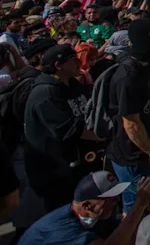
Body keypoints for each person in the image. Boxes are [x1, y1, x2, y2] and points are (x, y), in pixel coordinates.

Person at [23, 44, 99, 213]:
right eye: (73, 60)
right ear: (58, 65)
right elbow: (69, 130)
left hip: (78, 164)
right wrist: (106, 134)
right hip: (54, 171)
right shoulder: (45, 93)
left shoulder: (71, 83)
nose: (78, 62)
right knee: (66, 213)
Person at [106, 19, 150, 216]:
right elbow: (131, 123)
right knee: (137, 208)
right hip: (132, 156)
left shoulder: (149, 66)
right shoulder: (127, 76)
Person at [14, 171, 150, 245]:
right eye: (111, 199)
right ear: (88, 206)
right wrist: (140, 204)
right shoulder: (63, 230)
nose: (117, 201)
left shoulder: (90, 217)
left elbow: (125, 243)